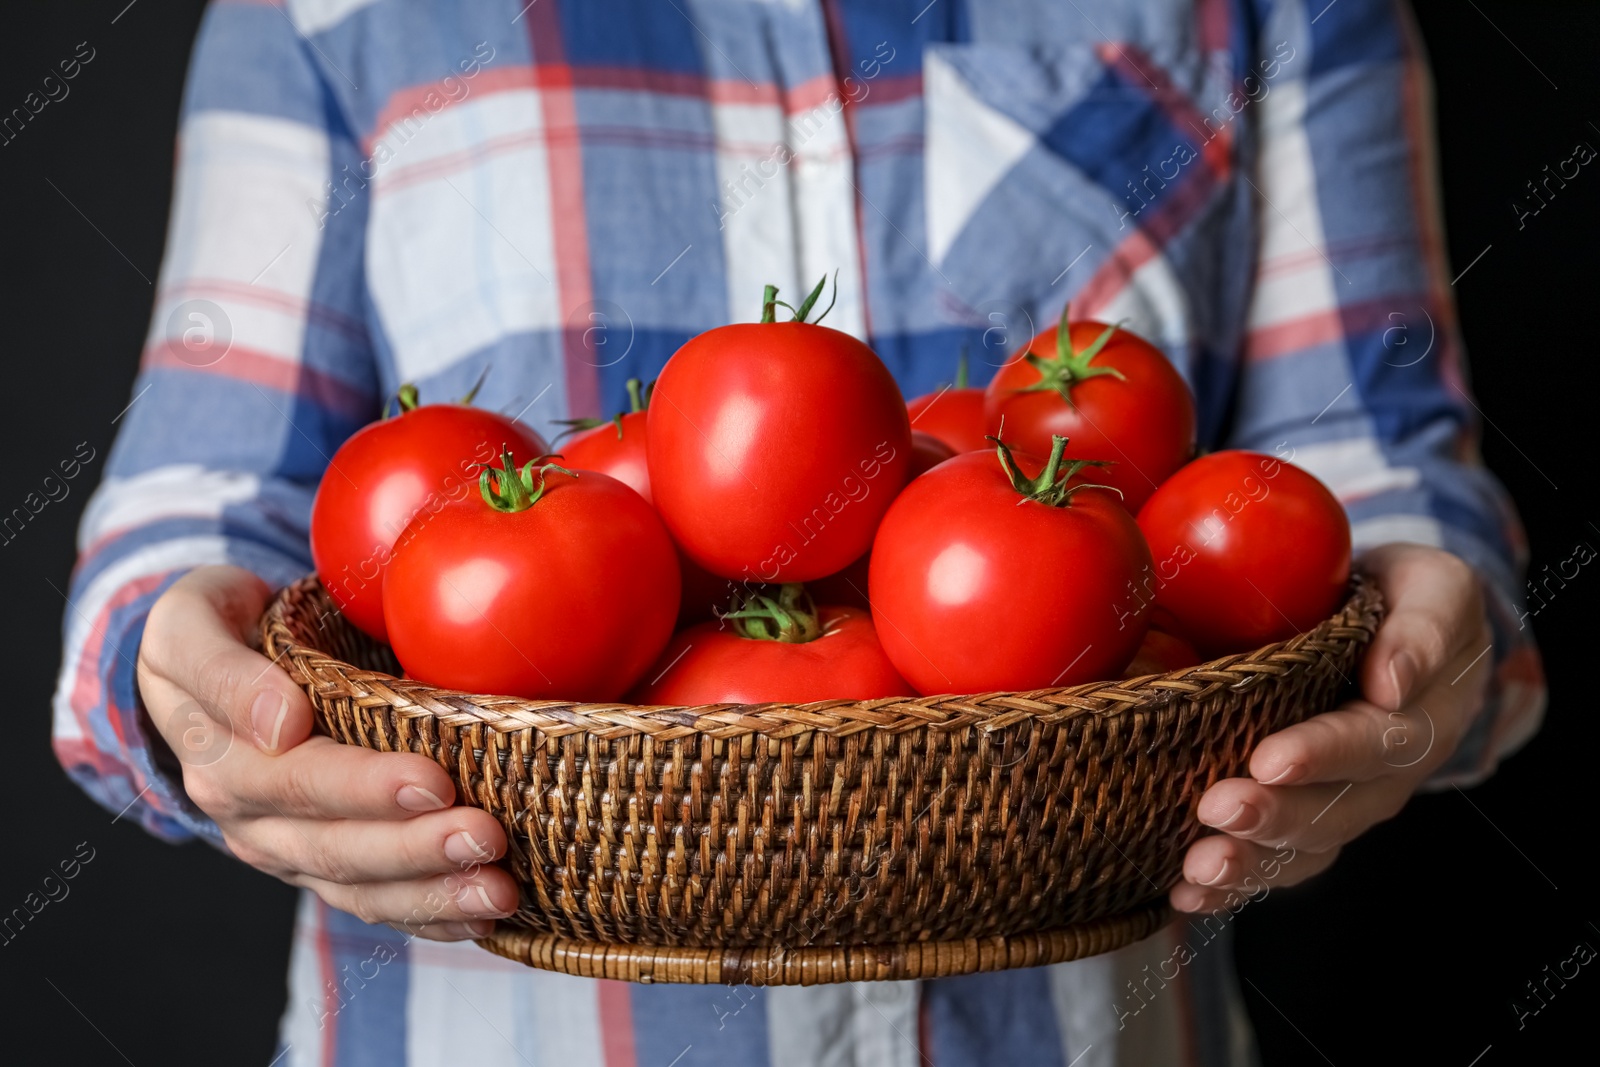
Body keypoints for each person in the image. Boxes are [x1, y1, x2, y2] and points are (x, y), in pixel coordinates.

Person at [54, 1, 1545, 1064]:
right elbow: (202, 508)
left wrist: (1426, 645)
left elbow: (1376, 479)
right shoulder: (322, 15)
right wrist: (188, 684)